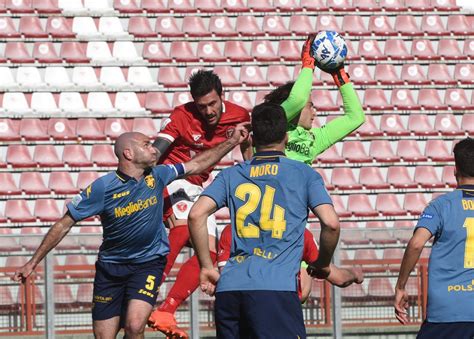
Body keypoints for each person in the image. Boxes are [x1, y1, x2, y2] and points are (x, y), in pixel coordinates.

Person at [12, 127, 249, 339]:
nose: (154, 149)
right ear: (128, 154)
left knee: (135, 326)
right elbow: (64, 223)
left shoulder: (158, 176)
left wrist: (231, 142)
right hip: (110, 269)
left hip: (148, 263)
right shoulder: (103, 188)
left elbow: (197, 164)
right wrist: (33, 262)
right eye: (146, 145)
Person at [188, 102, 342, 338]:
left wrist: (207, 267)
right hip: (275, 290)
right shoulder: (304, 174)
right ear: (287, 136)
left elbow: (196, 214)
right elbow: (331, 223)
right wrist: (322, 263)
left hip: (230, 289)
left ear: (252, 136)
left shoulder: (232, 174)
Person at [147, 69, 251, 337]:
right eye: (202, 106)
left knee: (210, 253)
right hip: (173, 176)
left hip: (196, 186)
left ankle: (166, 311)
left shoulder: (239, 116)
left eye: (212, 104)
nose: (208, 111)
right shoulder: (182, 115)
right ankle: (146, 292)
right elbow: (158, 149)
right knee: (184, 227)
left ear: (222, 96)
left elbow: (247, 153)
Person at [394, 137, 474, 338]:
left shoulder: (441, 206)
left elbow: (416, 244)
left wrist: (401, 286)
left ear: (455, 170)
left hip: (447, 311)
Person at [265, 35, 365, 165]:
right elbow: (298, 99)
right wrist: (308, 64)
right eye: (310, 106)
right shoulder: (271, 125)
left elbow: (356, 118)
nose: (314, 113)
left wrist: (340, 77)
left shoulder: (314, 139)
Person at [217, 224, 363, 303]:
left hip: (240, 309)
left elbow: (225, 277)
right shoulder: (299, 233)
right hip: (281, 310)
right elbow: (338, 278)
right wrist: (355, 274)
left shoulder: (231, 230)